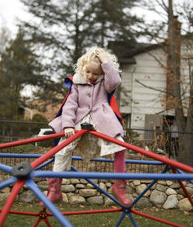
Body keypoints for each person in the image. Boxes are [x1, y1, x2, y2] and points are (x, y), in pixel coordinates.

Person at [40, 47, 131, 207]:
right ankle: (54, 189)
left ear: (102, 73)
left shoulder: (105, 83)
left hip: (101, 119)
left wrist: (105, 61)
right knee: (61, 151)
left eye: (95, 74)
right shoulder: (77, 83)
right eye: (88, 72)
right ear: (83, 69)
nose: (90, 76)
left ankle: (120, 187)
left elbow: (115, 81)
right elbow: (70, 105)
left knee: (120, 146)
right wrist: (67, 125)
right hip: (78, 120)